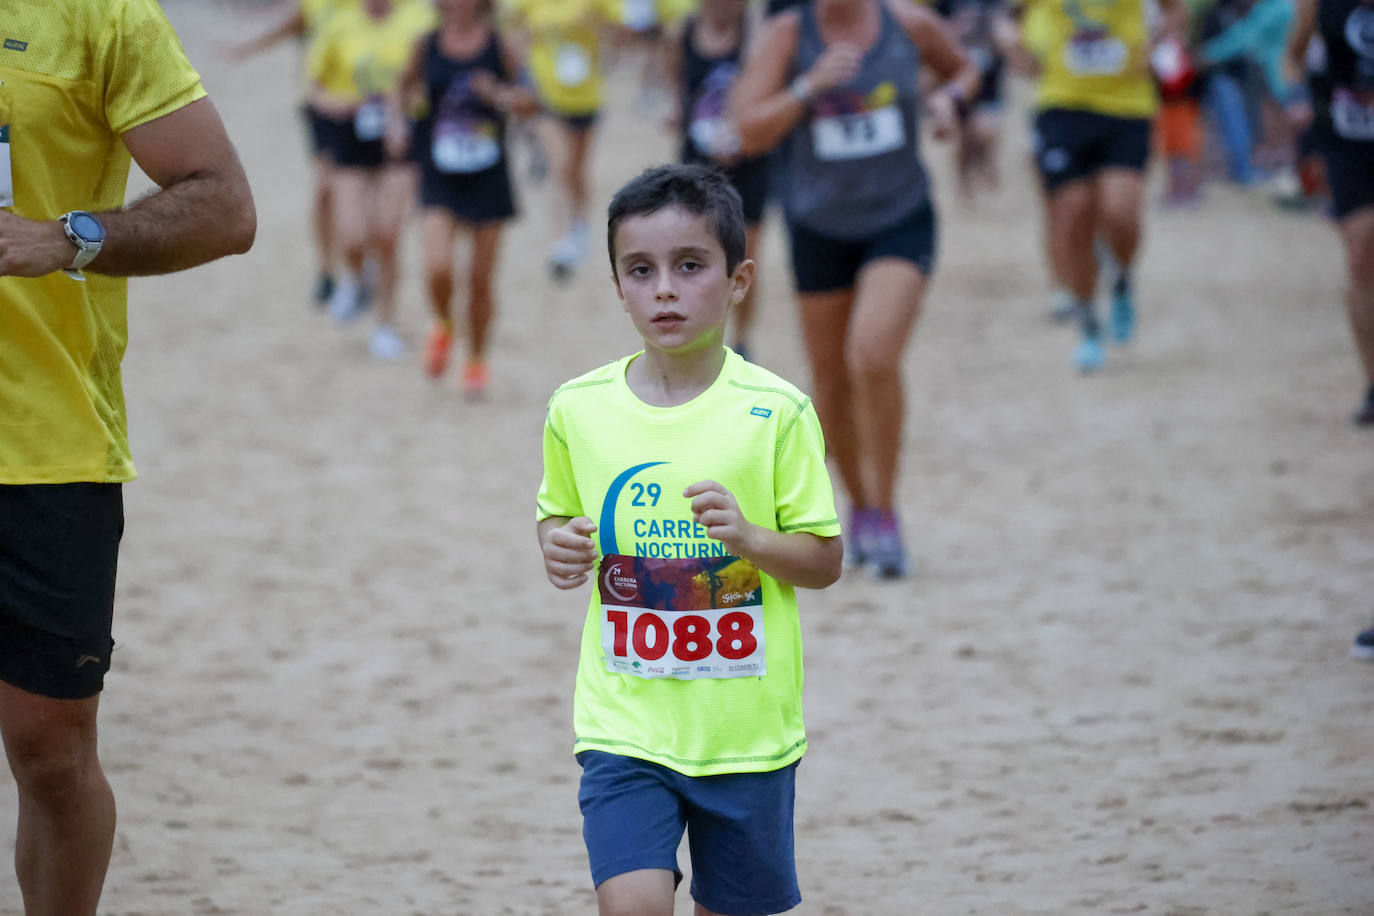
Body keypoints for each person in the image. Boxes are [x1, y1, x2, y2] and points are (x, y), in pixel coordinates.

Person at [0, 3, 256, 914]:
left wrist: (70, 237)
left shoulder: (98, 14)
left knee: (50, 755)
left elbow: (224, 205)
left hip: (44, 445)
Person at [536, 164, 843, 916]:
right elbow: (557, 515)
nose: (664, 289)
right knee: (631, 905)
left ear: (739, 281)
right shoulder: (579, 409)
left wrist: (751, 540)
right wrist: (558, 544)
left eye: (690, 266)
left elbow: (824, 560)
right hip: (625, 722)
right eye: (640, 271)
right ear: (617, 285)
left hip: (745, 735)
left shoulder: (777, 412)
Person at [729, 0, 979, 577]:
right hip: (819, 225)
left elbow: (963, 70)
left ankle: (887, 513)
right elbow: (745, 130)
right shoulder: (787, 36)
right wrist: (807, 87)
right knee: (831, 378)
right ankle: (861, 508)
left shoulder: (907, 24)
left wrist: (949, 100)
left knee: (871, 354)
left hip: (900, 217)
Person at [1012, 0, 1184, 372]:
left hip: (1127, 108)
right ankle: (1088, 322)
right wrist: (1016, 44)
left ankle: (1121, 280)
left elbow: (1176, 9)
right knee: (1073, 216)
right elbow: (1013, 21)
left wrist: (1157, 42)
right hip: (1061, 107)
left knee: (1120, 212)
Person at [392, 0, 539, 395]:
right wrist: (397, 127)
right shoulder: (427, 44)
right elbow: (400, 89)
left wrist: (500, 96)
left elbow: (531, 101)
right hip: (438, 171)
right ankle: (443, 324)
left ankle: (476, 360)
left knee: (480, 280)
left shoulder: (499, 44)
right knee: (438, 266)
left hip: (488, 174)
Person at [309, 0, 436, 358]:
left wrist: (403, 103)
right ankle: (356, 278)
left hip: (403, 143)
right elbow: (315, 88)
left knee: (388, 235)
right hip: (351, 139)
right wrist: (343, 103)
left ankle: (385, 324)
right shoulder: (338, 22)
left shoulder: (420, 19)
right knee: (353, 234)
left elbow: (435, 78)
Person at [663, 0, 771, 359]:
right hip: (697, 161)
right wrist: (678, 112)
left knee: (745, 254)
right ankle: (702, 332)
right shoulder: (684, 33)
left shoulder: (756, 35)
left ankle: (741, 337)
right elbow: (678, 84)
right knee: (694, 251)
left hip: (749, 161)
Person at [1285, 0, 1374, 425]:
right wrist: (1299, 100)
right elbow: (1293, 58)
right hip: (1349, 139)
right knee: (1362, 255)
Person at [226, 0, 346, 308]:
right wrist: (244, 49)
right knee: (325, 188)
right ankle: (327, 269)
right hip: (322, 108)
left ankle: (359, 264)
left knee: (364, 194)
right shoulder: (318, 6)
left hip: (369, 107)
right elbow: (286, 29)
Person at [502, 0, 622, 279]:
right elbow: (509, 31)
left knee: (577, 172)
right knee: (560, 164)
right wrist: (522, 69)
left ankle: (579, 225)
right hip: (545, 96)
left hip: (585, 94)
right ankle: (559, 239)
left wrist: (604, 39)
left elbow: (623, 28)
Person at [937, 0, 1015, 203]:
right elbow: (934, 29)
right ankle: (963, 184)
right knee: (961, 141)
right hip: (956, 79)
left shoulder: (997, 4)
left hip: (989, 80)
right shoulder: (946, 4)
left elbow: (1011, 27)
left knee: (987, 132)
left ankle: (986, 162)